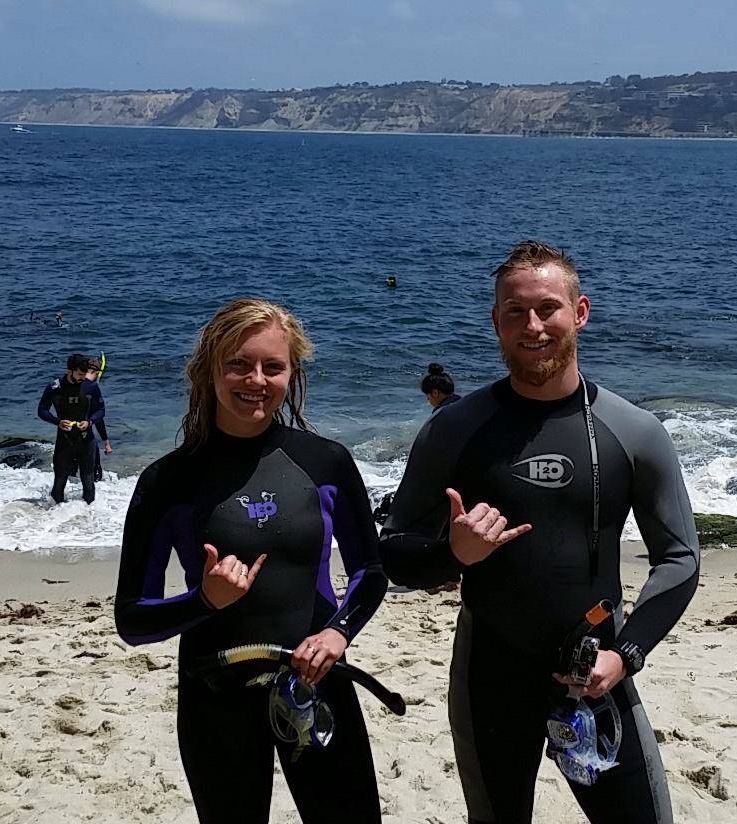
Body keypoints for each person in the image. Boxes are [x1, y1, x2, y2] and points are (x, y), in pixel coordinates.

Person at [380, 240, 699, 824]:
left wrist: (626, 656)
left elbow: (680, 560)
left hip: (597, 668)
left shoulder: (634, 431)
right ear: (495, 321)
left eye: (548, 308)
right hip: (489, 676)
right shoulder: (454, 430)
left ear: (580, 312)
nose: (533, 326)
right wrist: (454, 554)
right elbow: (396, 554)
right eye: (514, 312)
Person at [115, 298, 388, 823]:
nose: (255, 380)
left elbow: (369, 573)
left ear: (292, 372)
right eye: (238, 364)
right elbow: (131, 618)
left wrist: (336, 635)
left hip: (316, 682)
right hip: (215, 695)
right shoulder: (166, 483)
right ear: (208, 371)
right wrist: (203, 601)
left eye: (272, 366)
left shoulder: (325, 461)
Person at [37, 354, 111, 504]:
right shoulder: (55, 387)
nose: (83, 378)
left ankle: (89, 520)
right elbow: (42, 410)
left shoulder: (90, 386)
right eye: (79, 374)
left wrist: (89, 422)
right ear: (69, 371)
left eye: (85, 374)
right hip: (65, 440)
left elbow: (101, 410)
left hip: (86, 440)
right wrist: (57, 422)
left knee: (88, 481)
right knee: (60, 481)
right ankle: (53, 520)